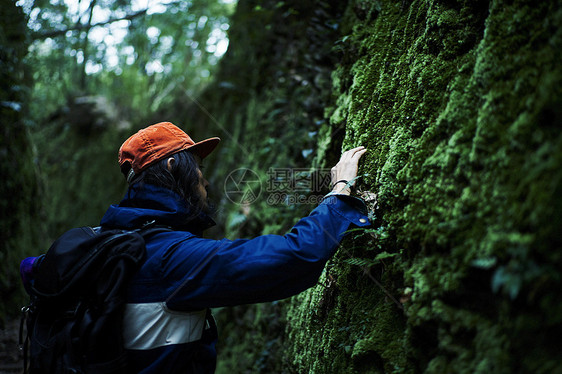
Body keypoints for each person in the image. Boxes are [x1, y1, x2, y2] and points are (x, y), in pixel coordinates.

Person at [28, 121, 370, 373]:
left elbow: (31, 269)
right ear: (176, 166)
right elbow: (293, 257)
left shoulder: (98, 244)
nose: (205, 181)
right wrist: (339, 193)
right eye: (199, 168)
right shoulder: (170, 258)